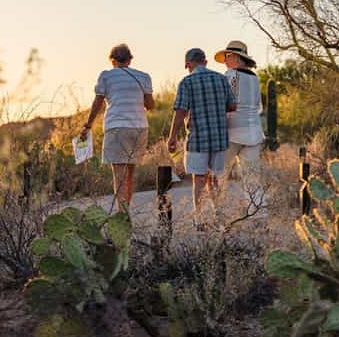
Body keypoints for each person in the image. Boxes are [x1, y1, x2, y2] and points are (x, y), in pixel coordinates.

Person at [81, 43, 154, 212]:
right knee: (129, 174)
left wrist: (88, 125)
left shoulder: (106, 76)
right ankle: (125, 212)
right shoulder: (144, 76)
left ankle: (122, 216)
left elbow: (98, 103)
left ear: (112, 61)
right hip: (139, 128)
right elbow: (150, 105)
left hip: (117, 127)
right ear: (130, 59)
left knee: (119, 176)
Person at [167, 48, 236, 222]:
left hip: (198, 139)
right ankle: (218, 213)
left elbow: (180, 111)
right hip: (219, 138)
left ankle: (199, 218)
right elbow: (232, 106)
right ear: (205, 62)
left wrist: (172, 137)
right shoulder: (221, 79)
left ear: (189, 64)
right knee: (213, 177)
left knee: (198, 178)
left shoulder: (187, 82)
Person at [214, 40, 265, 182]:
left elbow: (224, 103)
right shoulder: (255, 78)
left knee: (218, 175)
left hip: (232, 132)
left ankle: (213, 204)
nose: (225, 60)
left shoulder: (230, 75)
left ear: (236, 57)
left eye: (227, 56)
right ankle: (258, 204)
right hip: (254, 133)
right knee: (252, 179)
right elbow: (259, 107)